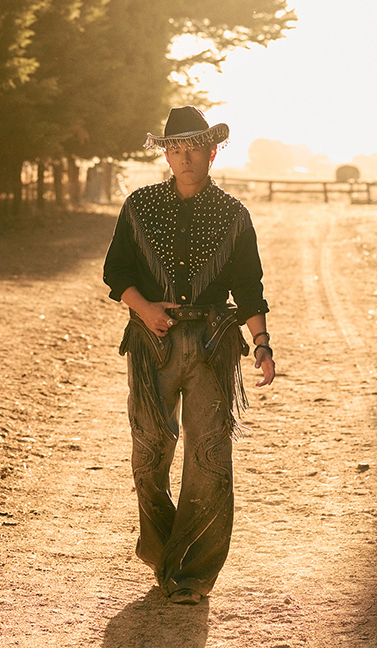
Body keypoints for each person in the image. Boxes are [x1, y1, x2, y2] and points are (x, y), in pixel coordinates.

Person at [102, 105, 276, 605]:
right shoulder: (139, 206)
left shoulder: (233, 215)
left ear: (212, 151)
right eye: (175, 148)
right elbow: (116, 273)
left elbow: (248, 286)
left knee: (209, 456)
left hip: (212, 346)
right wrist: (144, 308)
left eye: (194, 148)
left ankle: (191, 574)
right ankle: (163, 551)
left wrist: (261, 344)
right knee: (151, 449)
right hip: (150, 343)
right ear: (167, 154)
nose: (185, 157)